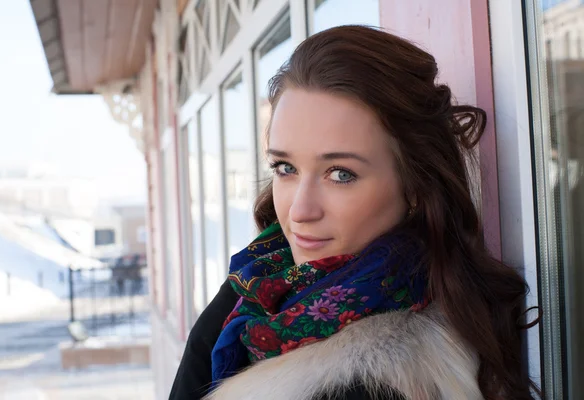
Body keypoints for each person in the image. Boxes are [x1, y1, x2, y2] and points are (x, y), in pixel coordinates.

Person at [168, 25, 539, 400]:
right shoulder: (260, 283)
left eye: (341, 174)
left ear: (414, 187)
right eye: (285, 168)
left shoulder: (383, 384)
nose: (300, 210)